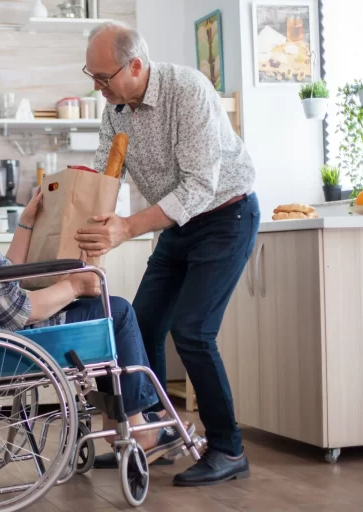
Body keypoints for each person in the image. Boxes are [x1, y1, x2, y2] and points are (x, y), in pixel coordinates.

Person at [0, 138, 195, 464]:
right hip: (5, 350)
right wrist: (75, 286)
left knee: (99, 314)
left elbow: (0, 280)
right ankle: (139, 428)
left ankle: (123, 422)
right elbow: (19, 312)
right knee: (117, 312)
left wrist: (26, 223)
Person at [75, 21, 259, 486]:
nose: (97, 89)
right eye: (92, 78)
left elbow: (201, 186)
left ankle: (227, 447)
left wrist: (128, 228)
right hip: (177, 225)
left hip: (224, 215)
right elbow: (103, 175)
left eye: (104, 78)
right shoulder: (117, 109)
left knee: (193, 331)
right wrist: (74, 215)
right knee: (143, 323)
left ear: (136, 66)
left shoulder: (188, 91)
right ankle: (158, 431)